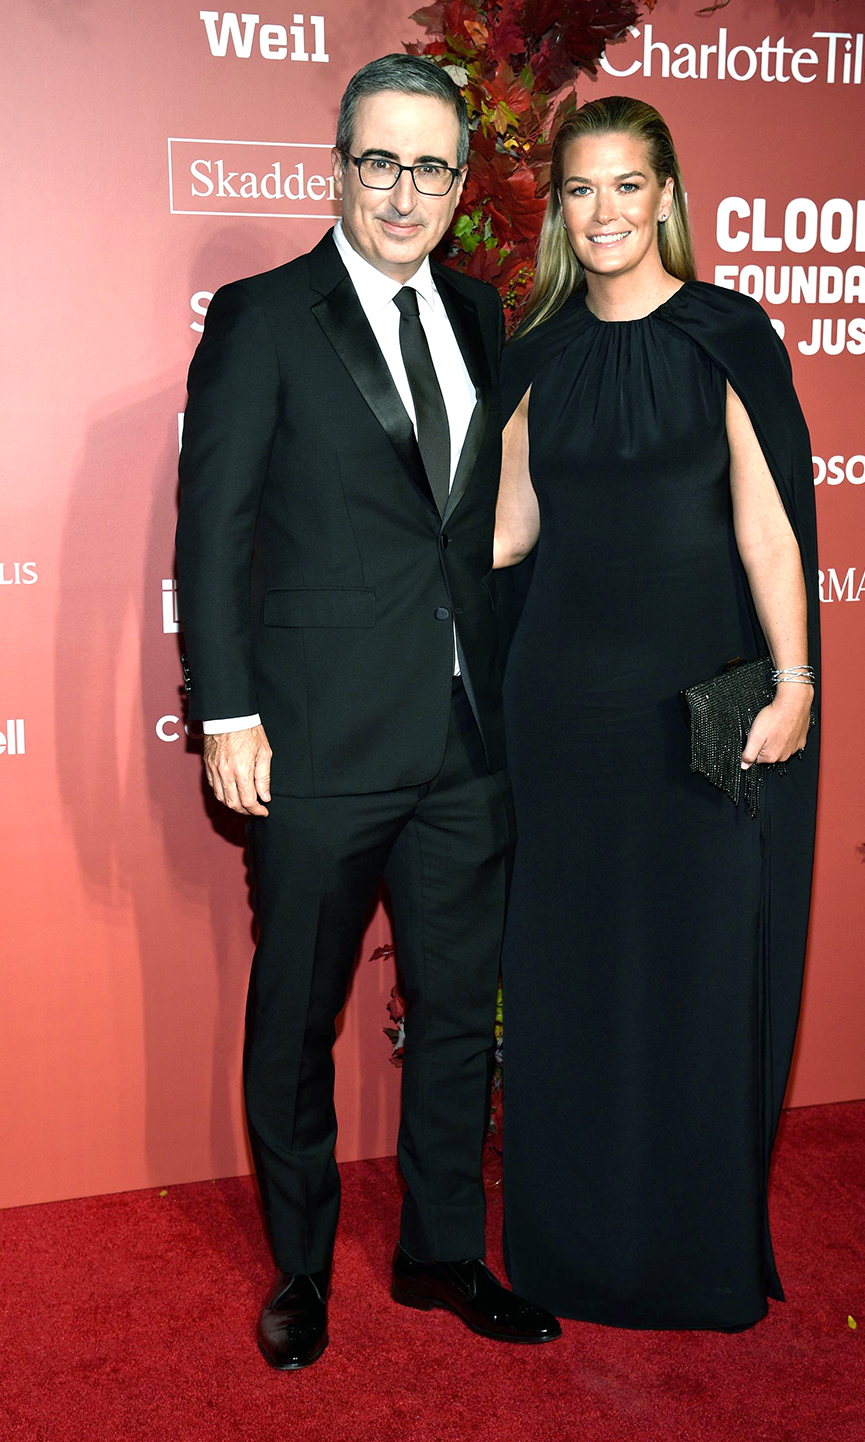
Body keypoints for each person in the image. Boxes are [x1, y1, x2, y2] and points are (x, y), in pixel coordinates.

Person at [175, 53, 560, 1370]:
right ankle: (298, 1266)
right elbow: (213, 533)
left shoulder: (478, 311)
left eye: (433, 165)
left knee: (458, 1009)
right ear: (340, 163)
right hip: (318, 740)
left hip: (463, 740)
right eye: (381, 160)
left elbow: (474, 525)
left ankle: (441, 1249)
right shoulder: (262, 316)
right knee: (297, 1012)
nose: (406, 190)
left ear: (461, 182)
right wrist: (226, 713)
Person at [493, 96, 820, 1331]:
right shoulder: (537, 351)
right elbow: (512, 529)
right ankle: (570, 1254)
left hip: (705, 711)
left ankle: (692, 1257)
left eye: (628, 186)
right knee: (570, 982)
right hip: (561, 714)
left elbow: (767, 530)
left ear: (667, 195)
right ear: (559, 212)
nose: (605, 212)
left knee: (692, 976)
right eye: (582, 190)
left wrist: (792, 682)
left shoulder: (727, 335)